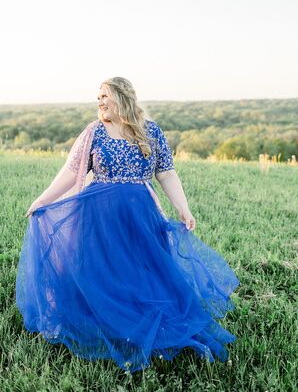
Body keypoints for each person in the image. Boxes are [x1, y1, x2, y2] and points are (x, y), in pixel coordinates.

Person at [16, 76, 239, 373]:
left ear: (122, 97)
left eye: (105, 96)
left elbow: (167, 173)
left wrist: (183, 208)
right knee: (103, 271)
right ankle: (103, 321)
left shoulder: (151, 132)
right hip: (98, 219)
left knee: (143, 272)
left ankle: (141, 320)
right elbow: (69, 173)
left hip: (140, 217)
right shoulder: (93, 132)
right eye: (98, 98)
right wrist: (42, 200)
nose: (100, 102)